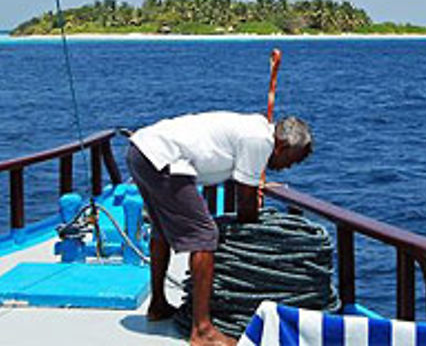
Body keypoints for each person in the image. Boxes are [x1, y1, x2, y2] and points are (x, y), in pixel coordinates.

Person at [126, 111, 313, 346]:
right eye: (293, 160)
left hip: (142, 151)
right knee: (205, 235)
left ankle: (158, 305)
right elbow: (245, 204)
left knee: (162, 229)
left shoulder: (255, 127)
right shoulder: (260, 141)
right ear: (283, 146)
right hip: (164, 160)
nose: (288, 167)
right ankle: (202, 330)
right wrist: (255, 221)